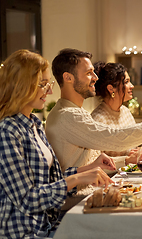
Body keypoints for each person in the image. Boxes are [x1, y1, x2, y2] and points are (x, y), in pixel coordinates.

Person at [0, 50, 115, 238]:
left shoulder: (35, 124)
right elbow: (28, 199)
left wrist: (87, 170)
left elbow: (51, 181)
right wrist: (77, 179)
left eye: (49, 84)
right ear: (21, 85)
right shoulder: (7, 131)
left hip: (49, 223)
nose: (51, 91)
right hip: (26, 232)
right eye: (43, 84)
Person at [46, 48, 142, 173]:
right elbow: (117, 138)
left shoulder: (75, 112)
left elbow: (90, 164)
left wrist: (126, 160)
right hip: (78, 200)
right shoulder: (68, 116)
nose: (95, 77)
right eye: (89, 73)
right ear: (68, 77)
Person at [91, 61, 137, 158]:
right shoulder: (98, 120)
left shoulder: (125, 111)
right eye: (126, 82)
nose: (132, 86)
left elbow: (131, 147)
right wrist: (127, 159)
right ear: (111, 89)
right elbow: (96, 162)